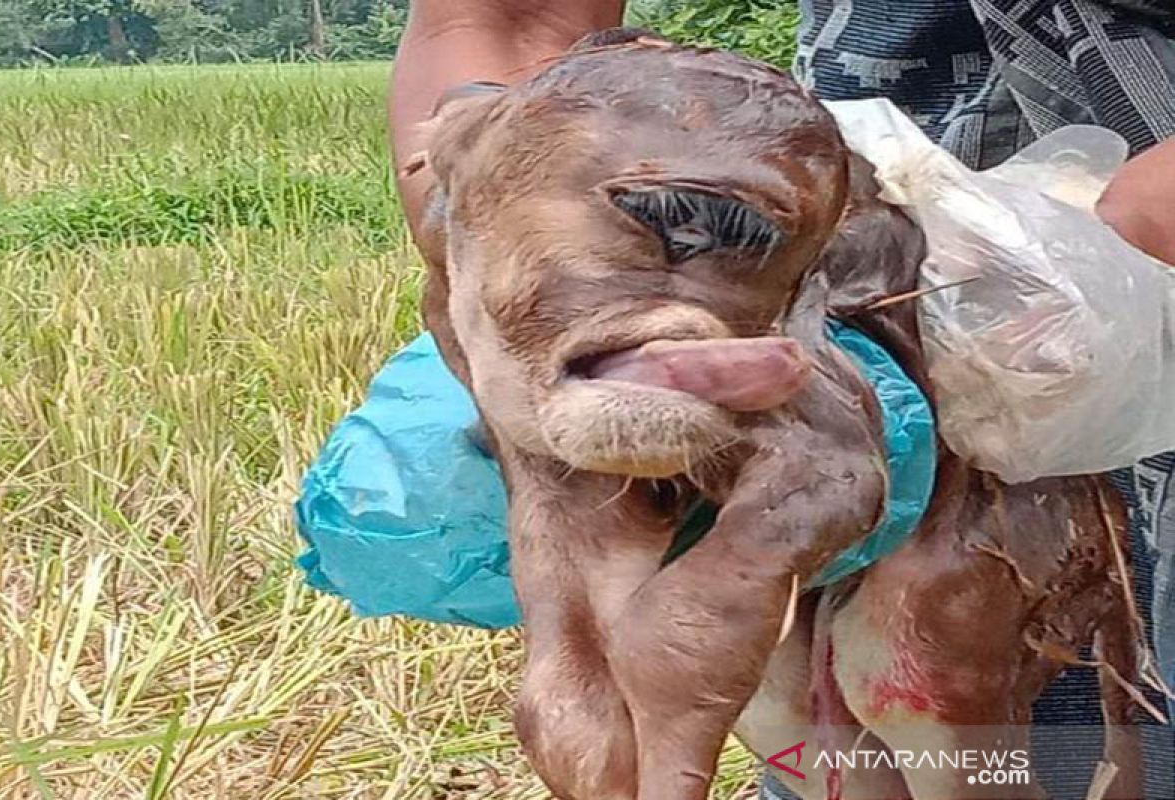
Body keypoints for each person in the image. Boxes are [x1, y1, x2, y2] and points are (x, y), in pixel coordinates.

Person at [388, 2, 1175, 798]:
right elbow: (512, 18)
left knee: (966, 714)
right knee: (850, 735)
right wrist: (510, 264)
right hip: (826, 223)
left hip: (1073, 275)